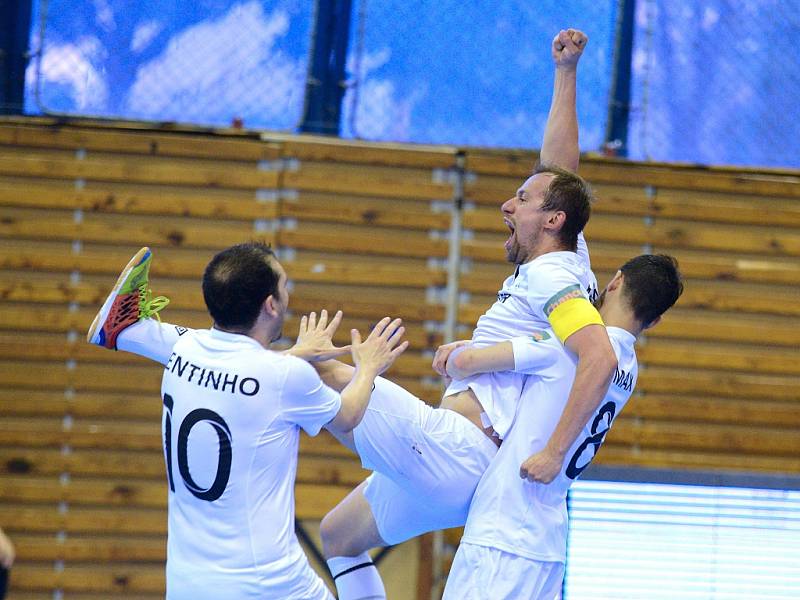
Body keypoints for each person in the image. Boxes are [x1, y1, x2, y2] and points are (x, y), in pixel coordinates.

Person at [87, 29, 618, 600]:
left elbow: (598, 355)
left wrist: (362, 365)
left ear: (552, 222)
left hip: (456, 449)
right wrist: (565, 75)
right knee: (339, 537)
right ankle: (134, 330)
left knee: (309, 370)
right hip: (451, 469)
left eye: (522, 201)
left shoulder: (554, 276)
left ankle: (134, 330)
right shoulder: (570, 256)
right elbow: (559, 176)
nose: (506, 206)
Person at [88, 243, 408, 600]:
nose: (287, 294)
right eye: (285, 286)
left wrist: (297, 353)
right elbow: (348, 416)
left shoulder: (182, 348)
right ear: (271, 305)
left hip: (185, 583)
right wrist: (368, 366)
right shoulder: (285, 375)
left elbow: (116, 329)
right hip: (268, 585)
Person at [439, 254, 683, 599]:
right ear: (655, 321)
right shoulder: (629, 368)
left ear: (614, 282)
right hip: (549, 541)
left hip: (505, 531)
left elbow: (467, 363)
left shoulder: (571, 347)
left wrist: (457, 353)